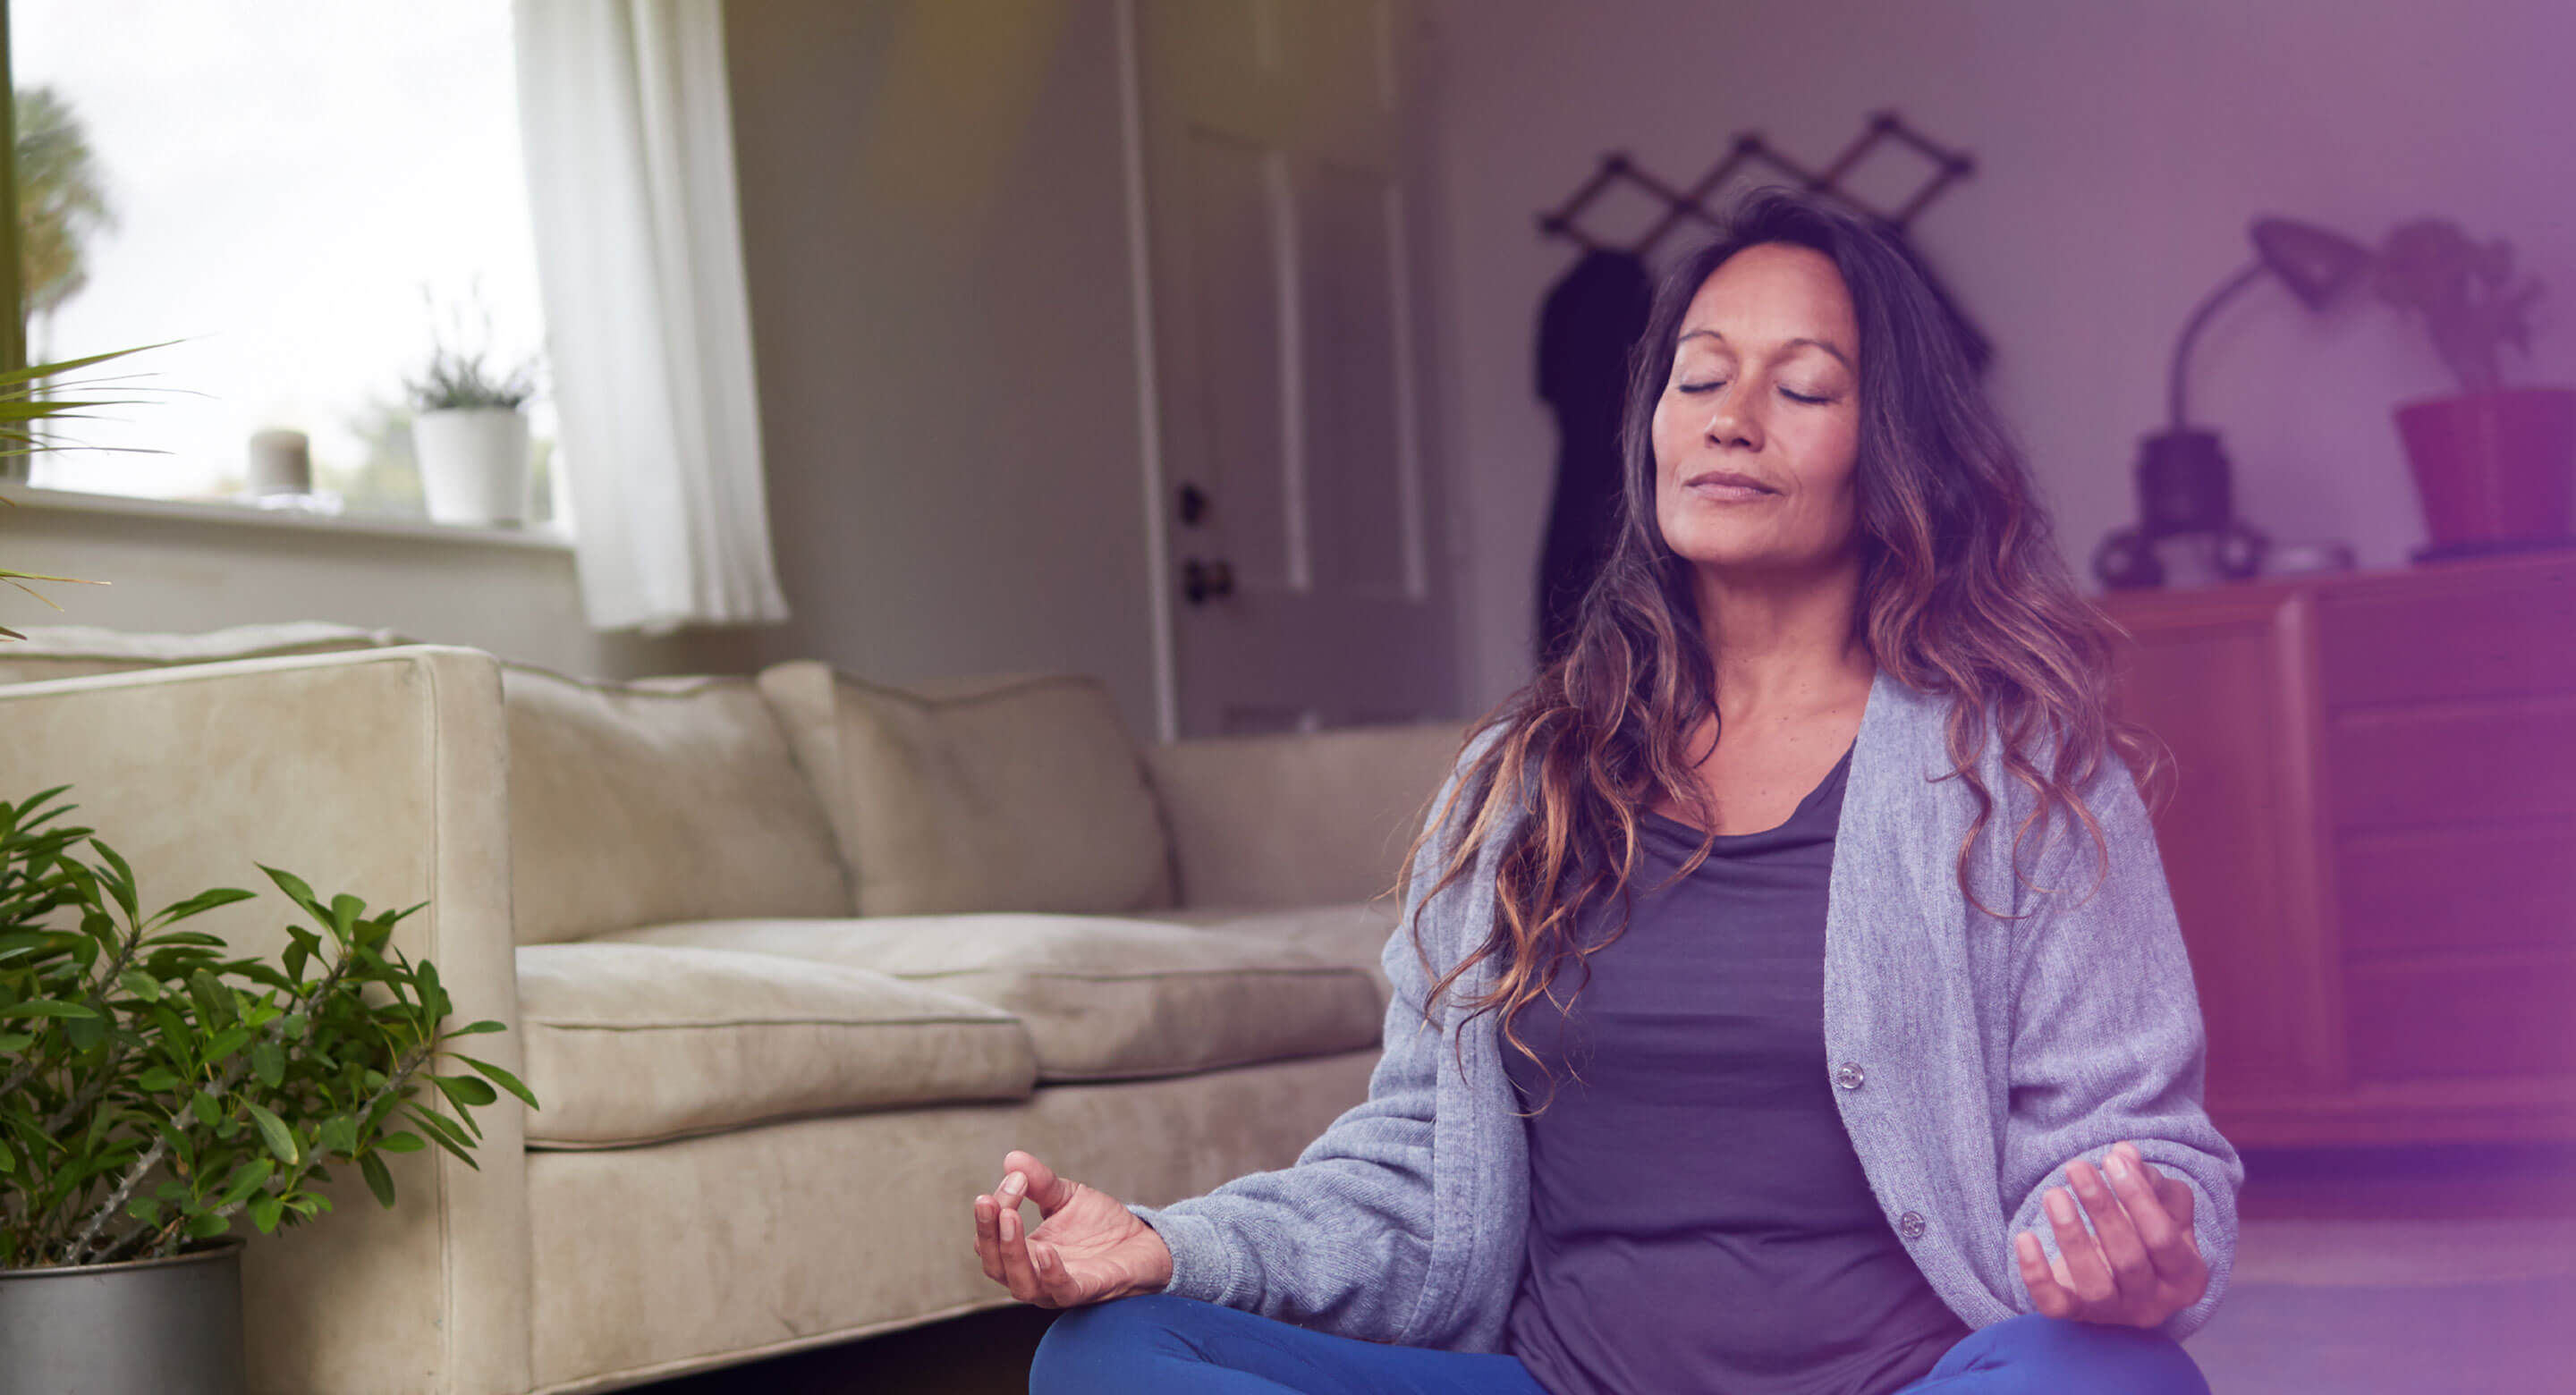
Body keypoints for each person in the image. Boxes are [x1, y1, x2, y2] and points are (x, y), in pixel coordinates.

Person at [970, 187, 2241, 1394]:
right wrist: (1168, 1244)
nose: (1730, 415)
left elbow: (2134, 1145)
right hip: (1560, 1380)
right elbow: (1412, 1175)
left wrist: (2140, 1249)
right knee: (1107, 1359)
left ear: (1893, 450)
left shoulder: (2018, 777)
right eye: (1698, 377)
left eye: (1801, 386)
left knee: (2111, 1378)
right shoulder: (1520, 785)